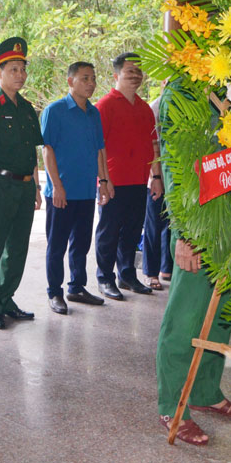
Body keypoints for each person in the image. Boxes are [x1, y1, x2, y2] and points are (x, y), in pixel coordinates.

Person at [155, 79, 231, 446]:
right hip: (198, 223)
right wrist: (186, 235)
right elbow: (175, 167)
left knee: (222, 315)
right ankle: (173, 404)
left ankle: (204, 390)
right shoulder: (183, 91)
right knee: (187, 318)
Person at [0, 37, 43, 330]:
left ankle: (6, 298)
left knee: (17, 248)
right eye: (13, 69)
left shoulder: (27, 108)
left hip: (25, 187)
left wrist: (37, 188)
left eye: (22, 69)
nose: (20, 75)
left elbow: (33, 152)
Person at [40, 62, 113, 315]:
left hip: (85, 191)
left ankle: (77, 287)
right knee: (57, 245)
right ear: (70, 82)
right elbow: (47, 150)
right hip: (61, 193)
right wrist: (57, 186)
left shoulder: (93, 113)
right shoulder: (55, 111)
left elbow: (99, 150)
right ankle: (55, 292)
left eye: (93, 78)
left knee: (81, 243)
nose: (91, 83)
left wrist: (104, 182)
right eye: (85, 78)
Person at [94, 52, 164, 301]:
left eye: (138, 71)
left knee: (133, 231)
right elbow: (97, 146)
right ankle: (105, 278)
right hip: (113, 181)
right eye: (129, 71)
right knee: (109, 231)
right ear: (116, 75)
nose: (135, 75)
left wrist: (156, 177)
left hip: (139, 180)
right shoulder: (105, 105)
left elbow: (153, 144)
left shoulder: (145, 109)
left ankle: (126, 275)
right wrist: (103, 180)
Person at [141, 87, 173, 289]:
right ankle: (150, 272)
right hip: (157, 176)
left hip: (177, 177)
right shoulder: (155, 107)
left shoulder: (185, 107)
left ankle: (166, 268)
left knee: (171, 225)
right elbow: (152, 145)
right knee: (154, 224)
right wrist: (156, 177)